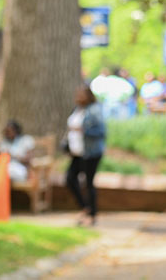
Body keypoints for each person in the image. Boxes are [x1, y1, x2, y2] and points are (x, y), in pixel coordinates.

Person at [65, 83, 106, 227]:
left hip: (91, 153)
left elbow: (101, 132)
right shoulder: (77, 109)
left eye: (81, 94)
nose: (78, 97)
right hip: (77, 152)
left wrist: (83, 130)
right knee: (70, 178)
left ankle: (92, 214)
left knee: (89, 183)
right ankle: (85, 207)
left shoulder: (94, 110)